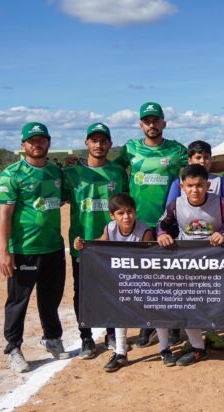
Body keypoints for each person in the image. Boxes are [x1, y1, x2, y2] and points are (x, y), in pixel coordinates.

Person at [156, 164, 224, 367]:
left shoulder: (221, 203)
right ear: (182, 186)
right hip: (188, 262)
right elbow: (161, 224)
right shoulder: (175, 205)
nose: (194, 190)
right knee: (190, 303)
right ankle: (198, 348)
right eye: (189, 186)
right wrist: (162, 235)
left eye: (199, 185)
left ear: (208, 185)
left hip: (217, 260)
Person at [115, 101, 188, 349]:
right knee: (144, 278)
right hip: (138, 224)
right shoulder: (130, 149)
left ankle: (175, 325)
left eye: (155, 120)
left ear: (164, 123)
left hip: (169, 223)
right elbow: (109, 169)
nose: (151, 125)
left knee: (171, 278)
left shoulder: (177, 150)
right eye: (147, 121)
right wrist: (76, 163)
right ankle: (146, 325)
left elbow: (199, 167)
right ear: (140, 124)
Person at [0, 122, 69, 373]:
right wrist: (5, 251)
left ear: (48, 142)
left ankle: (52, 337)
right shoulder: (12, 173)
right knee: (18, 300)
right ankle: (13, 347)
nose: (37, 144)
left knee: (50, 298)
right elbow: (5, 214)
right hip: (25, 249)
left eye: (41, 140)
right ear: (23, 145)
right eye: (32, 140)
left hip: (53, 247)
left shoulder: (55, 172)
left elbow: (61, 199)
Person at [63, 123, 128, 359]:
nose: (99, 145)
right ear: (86, 143)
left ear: (110, 144)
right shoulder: (71, 173)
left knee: (112, 288)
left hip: (112, 243)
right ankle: (86, 337)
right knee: (83, 291)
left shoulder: (118, 173)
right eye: (94, 140)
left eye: (103, 141)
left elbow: (126, 206)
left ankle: (112, 333)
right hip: (84, 243)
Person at [74, 193, 161, 372]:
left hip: (144, 280)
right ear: (112, 216)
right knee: (119, 307)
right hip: (124, 280)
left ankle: (164, 347)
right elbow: (99, 244)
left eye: (130, 212)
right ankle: (120, 352)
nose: (126, 217)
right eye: (121, 213)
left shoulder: (145, 231)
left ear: (135, 212)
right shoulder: (110, 228)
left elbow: (151, 259)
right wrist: (84, 245)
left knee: (156, 308)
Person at [165, 140, 224, 206]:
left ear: (211, 160)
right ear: (189, 161)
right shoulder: (179, 183)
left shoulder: (220, 182)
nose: (202, 161)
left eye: (206, 157)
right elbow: (170, 210)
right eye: (198, 157)